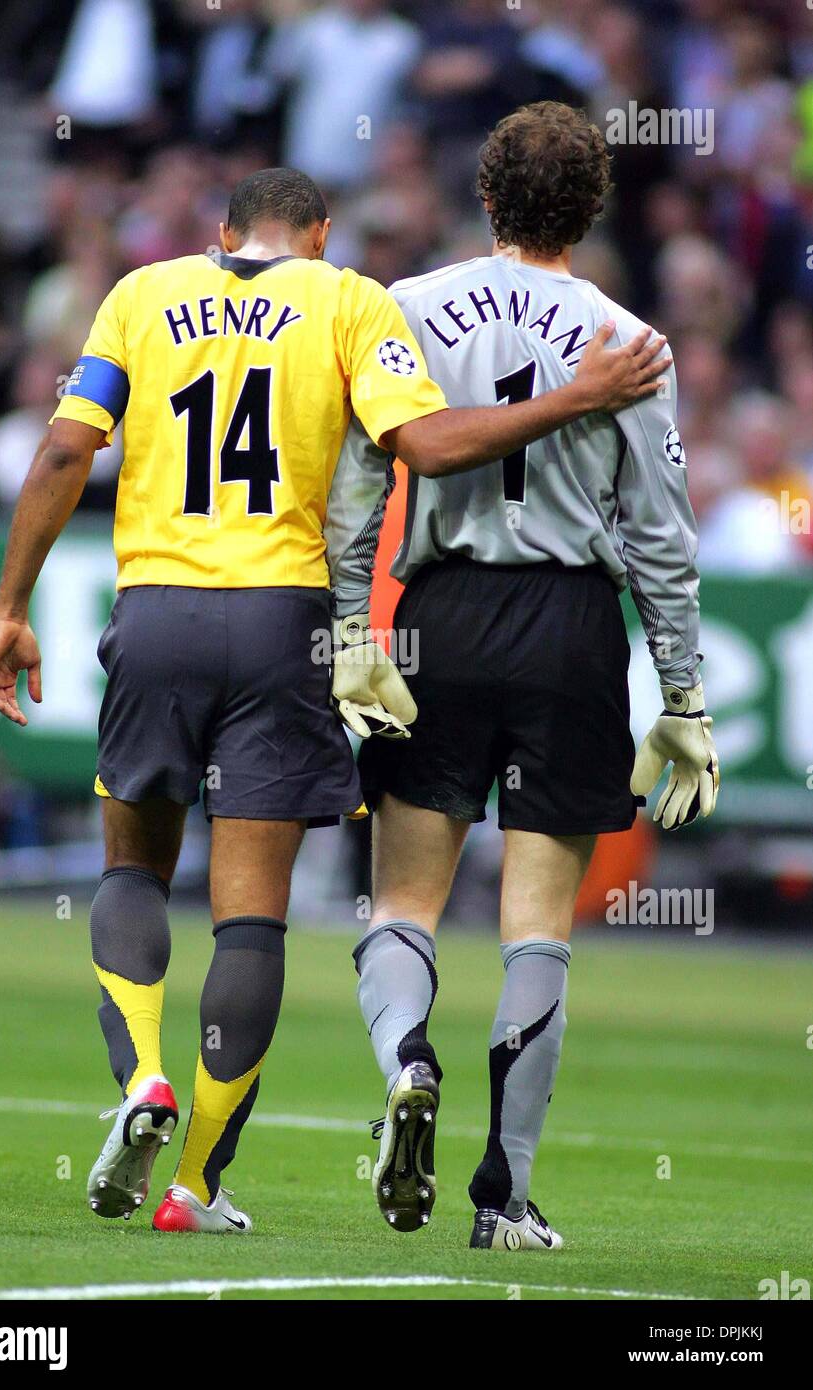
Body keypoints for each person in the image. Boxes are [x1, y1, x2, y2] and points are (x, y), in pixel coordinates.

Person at [0, 165, 668, 1237]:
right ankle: (199, 1188)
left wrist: (11, 603)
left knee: (130, 867)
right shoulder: (346, 298)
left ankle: (142, 1082)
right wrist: (581, 394)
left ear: (222, 233)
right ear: (317, 233)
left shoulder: (139, 293)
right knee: (251, 918)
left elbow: (67, 446)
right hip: (280, 623)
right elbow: (424, 447)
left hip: (157, 608)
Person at [328, 103, 719, 1249]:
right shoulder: (630, 339)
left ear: (487, 195)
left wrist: (354, 624)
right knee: (536, 925)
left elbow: (361, 490)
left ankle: (408, 1062)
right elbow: (663, 537)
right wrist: (685, 695)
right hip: (570, 629)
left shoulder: (403, 307)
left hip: (440, 615)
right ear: (593, 207)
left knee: (402, 898)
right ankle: (505, 1200)